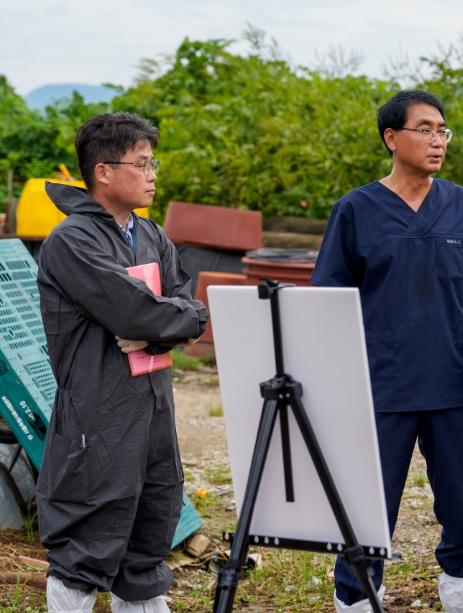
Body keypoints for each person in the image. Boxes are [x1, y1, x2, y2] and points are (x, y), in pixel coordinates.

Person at [311, 90, 463, 613]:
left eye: (443, 130)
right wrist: (331, 381)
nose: (438, 139)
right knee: (369, 505)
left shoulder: (462, 205)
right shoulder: (355, 210)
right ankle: (355, 599)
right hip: (379, 384)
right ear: (391, 138)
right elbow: (329, 300)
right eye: (425, 129)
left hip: (453, 381)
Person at [36, 112, 208, 613]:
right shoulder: (72, 241)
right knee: (87, 542)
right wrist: (160, 319)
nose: (153, 174)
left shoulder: (152, 235)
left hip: (154, 410)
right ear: (104, 171)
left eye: (154, 162)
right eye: (143, 163)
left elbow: (187, 307)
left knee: (148, 537)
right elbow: (133, 308)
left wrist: (159, 328)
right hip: (99, 417)